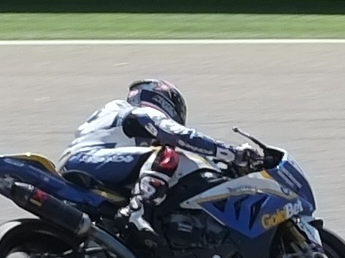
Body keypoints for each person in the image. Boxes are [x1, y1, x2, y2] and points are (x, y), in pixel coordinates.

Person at [59, 80, 263, 245]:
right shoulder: (137, 111)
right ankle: (135, 213)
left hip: (92, 166)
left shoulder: (118, 123)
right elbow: (176, 135)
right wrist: (231, 153)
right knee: (166, 155)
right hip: (86, 160)